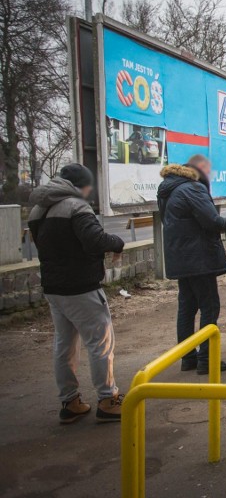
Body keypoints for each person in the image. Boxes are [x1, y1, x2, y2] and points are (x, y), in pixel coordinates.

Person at [28, 163, 125, 423]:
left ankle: (69, 401)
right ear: (81, 185)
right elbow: (95, 240)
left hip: (54, 288)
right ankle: (108, 399)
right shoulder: (76, 206)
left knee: (64, 344)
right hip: (81, 286)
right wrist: (117, 242)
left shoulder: (38, 209)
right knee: (100, 342)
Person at [157, 155, 226, 375]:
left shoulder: (167, 191)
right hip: (200, 259)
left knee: (187, 308)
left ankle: (188, 358)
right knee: (209, 307)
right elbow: (212, 221)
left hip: (180, 259)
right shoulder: (193, 188)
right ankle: (207, 359)